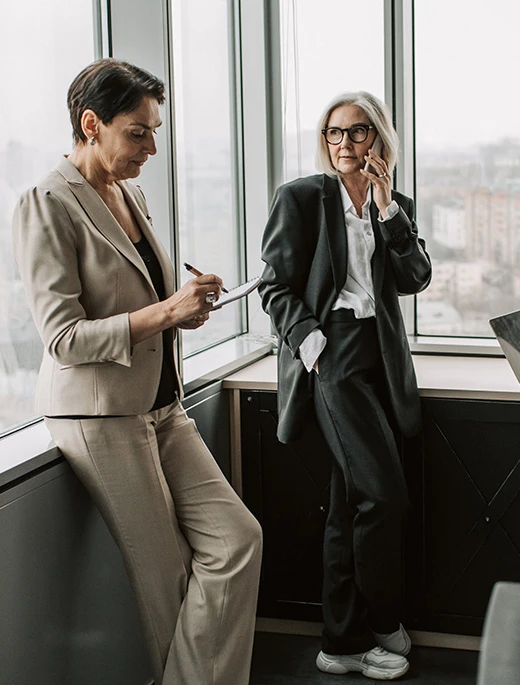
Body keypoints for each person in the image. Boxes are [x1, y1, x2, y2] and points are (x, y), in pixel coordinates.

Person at [12, 58, 262, 685]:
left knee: (237, 539)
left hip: (163, 407)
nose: (151, 148)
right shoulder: (47, 202)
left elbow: (140, 306)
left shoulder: (131, 194)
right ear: (90, 124)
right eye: (138, 132)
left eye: (155, 132)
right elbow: (63, 339)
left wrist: (184, 312)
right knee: (166, 581)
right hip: (100, 417)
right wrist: (165, 311)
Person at [259, 91, 431, 681]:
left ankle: (342, 641)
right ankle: (379, 622)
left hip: (380, 360)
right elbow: (274, 286)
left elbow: (415, 278)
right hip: (331, 356)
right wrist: (312, 345)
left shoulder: (394, 204)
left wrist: (387, 209)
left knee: (349, 503)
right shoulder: (302, 197)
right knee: (384, 498)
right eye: (334, 132)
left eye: (358, 131)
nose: (345, 143)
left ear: (380, 139)